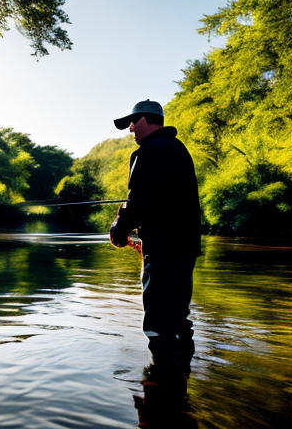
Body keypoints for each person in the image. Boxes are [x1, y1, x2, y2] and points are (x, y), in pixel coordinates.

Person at [110, 99, 201, 391]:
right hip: (185, 248)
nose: (131, 130)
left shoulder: (148, 152)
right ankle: (182, 379)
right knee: (178, 317)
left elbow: (139, 200)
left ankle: (162, 393)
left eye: (132, 123)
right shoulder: (179, 150)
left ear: (146, 120)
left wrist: (119, 227)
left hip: (162, 249)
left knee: (159, 323)